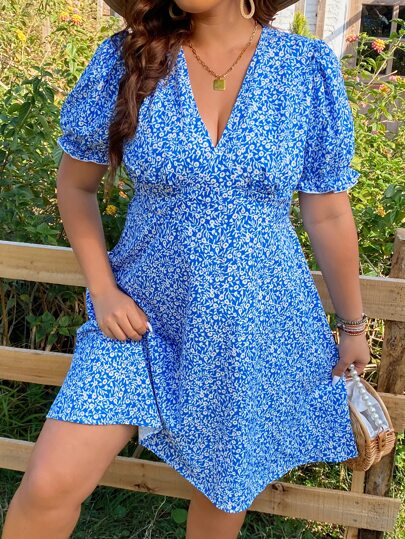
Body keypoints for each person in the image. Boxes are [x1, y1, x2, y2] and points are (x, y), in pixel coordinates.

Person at [2, 1, 371, 538]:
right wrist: (103, 290)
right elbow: (75, 186)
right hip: (138, 321)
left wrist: (353, 326)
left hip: (252, 328)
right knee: (49, 484)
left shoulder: (306, 68)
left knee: (223, 494)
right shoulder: (127, 59)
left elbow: (329, 213)